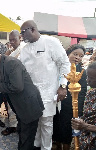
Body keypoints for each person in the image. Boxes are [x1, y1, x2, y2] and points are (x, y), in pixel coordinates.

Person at [20, 20, 70, 150]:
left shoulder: (51, 42)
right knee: (35, 123)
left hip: (49, 91)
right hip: (31, 94)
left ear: (32, 29)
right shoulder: (24, 49)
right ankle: (36, 146)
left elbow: (64, 64)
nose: (22, 36)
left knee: (46, 123)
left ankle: (46, 148)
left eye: (23, 32)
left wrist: (63, 86)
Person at [0, 47, 44, 150]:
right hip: (22, 108)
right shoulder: (3, 64)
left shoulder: (11, 63)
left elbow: (17, 87)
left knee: (27, 139)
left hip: (28, 107)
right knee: (22, 135)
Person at [53, 44, 87, 150]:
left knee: (66, 129)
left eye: (81, 56)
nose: (77, 57)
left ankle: (66, 147)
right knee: (56, 126)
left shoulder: (81, 72)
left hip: (70, 106)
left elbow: (82, 92)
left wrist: (77, 109)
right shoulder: (59, 67)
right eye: (75, 54)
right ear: (68, 54)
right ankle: (57, 145)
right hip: (56, 103)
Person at [1, 30, 26, 136]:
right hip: (10, 83)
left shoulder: (24, 49)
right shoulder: (12, 49)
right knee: (11, 106)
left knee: (19, 106)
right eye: (10, 40)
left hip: (20, 83)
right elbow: (3, 59)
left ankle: (19, 127)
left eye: (13, 39)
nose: (11, 42)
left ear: (20, 37)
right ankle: (13, 126)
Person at [71, 61, 96, 150]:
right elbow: (86, 115)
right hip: (85, 135)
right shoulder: (91, 93)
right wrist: (79, 122)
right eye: (87, 76)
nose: (87, 80)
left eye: (91, 78)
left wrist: (85, 126)